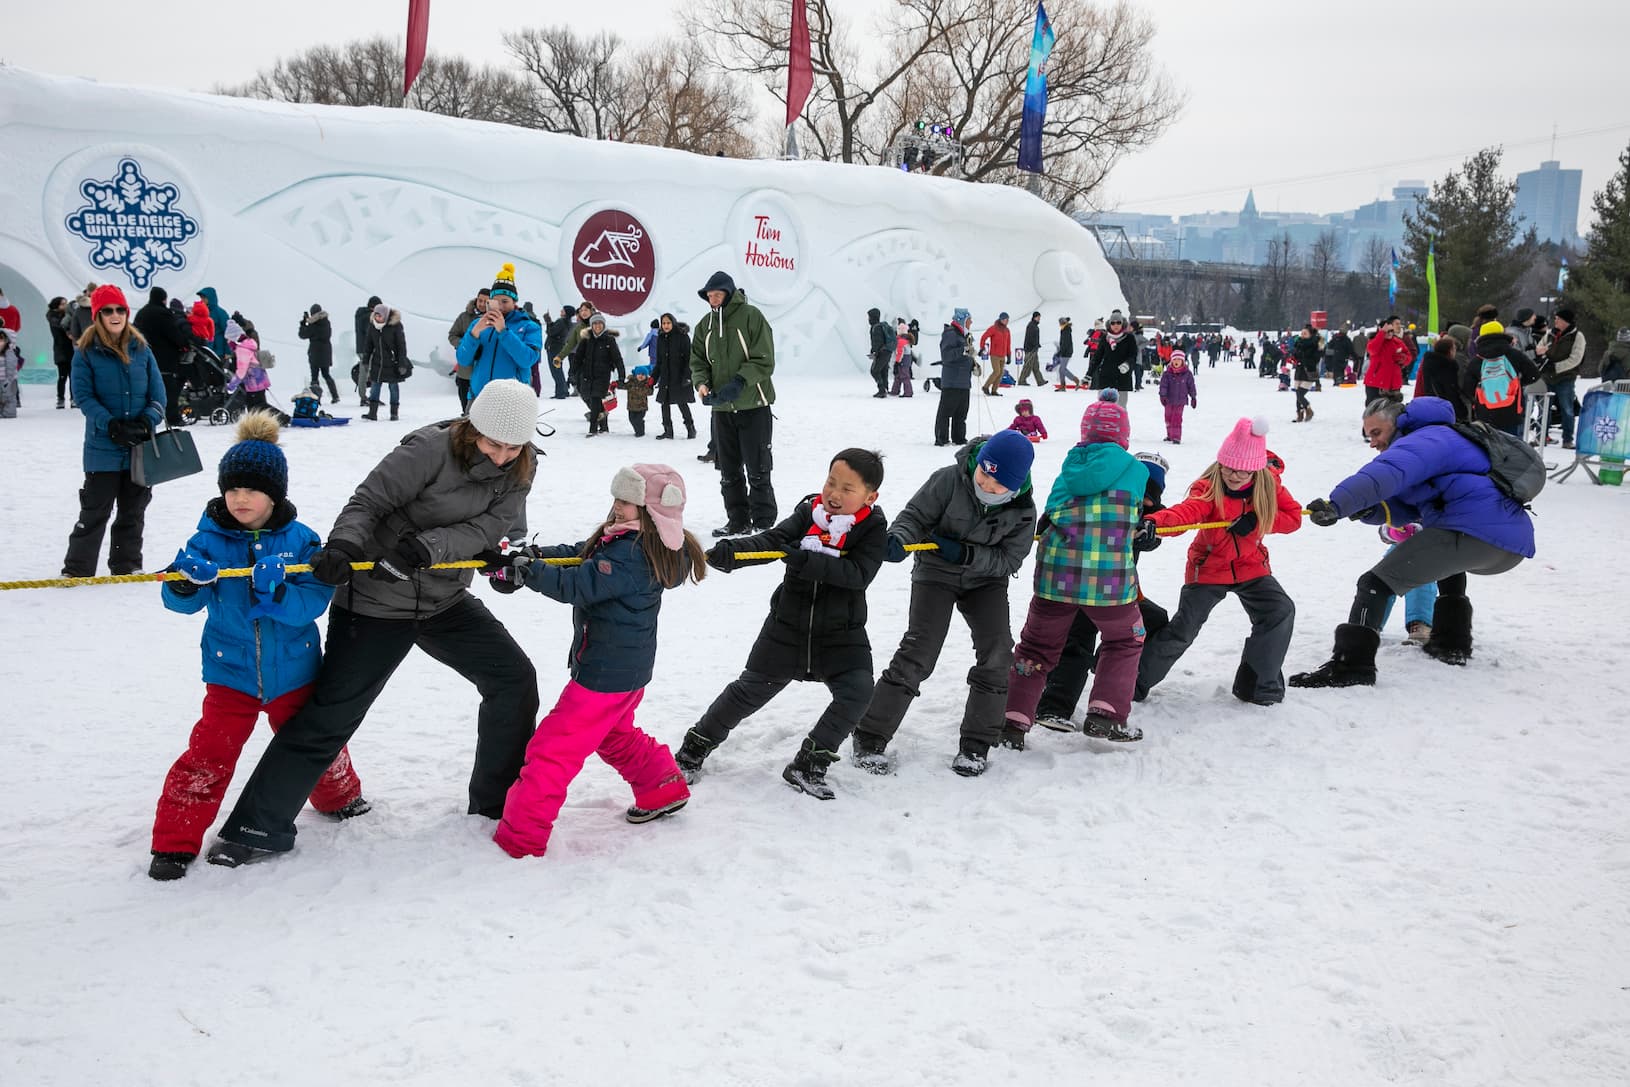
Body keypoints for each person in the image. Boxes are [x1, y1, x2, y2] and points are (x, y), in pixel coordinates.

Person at [206, 380, 544, 867]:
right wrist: (344, 547)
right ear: (472, 430)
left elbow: (491, 528)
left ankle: (493, 804)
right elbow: (369, 502)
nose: (501, 456)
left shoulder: (521, 468)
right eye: (493, 444)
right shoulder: (429, 449)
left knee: (513, 679)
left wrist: (470, 554)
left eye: (513, 447)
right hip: (376, 600)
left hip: (442, 597)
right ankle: (254, 828)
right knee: (332, 715)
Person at [147, 413, 368, 881]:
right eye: (233, 489)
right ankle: (174, 841)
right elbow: (180, 602)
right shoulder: (206, 540)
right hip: (231, 674)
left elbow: (313, 601)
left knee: (314, 743)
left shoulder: (301, 540)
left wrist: (280, 593)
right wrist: (185, 583)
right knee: (208, 754)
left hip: (294, 670)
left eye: (252, 490)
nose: (240, 498)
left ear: (275, 494)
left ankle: (340, 796)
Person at [486, 464, 706, 858]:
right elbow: (579, 557)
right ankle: (662, 787)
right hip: (626, 670)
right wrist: (534, 558)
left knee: (552, 750)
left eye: (627, 502)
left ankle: (521, 837)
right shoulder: (631, 542)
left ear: (652, 511)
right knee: (613, 733)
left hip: (605, 675)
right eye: (617, 499)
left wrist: (529, 573)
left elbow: (577, 584)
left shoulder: (631, 556)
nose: (617, 507)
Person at [674, 450, 888, 799]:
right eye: (831, 482)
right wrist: (734, 552)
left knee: (858, 692)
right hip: (787, 626)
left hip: (841, 634)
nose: (834, 493)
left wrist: (805, 559)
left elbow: (858, 574)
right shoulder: (809, 513)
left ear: (870, 496)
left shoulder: (872, 529)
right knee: (748, 692)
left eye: (847, 488)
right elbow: (773, 540)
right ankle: (693, 750)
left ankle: (809, 763)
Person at [1290, 396, 1534, 687]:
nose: (1373, 443)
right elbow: (1407, 506)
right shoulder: (1445, 440)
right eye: (1368, 436)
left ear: (1397, 423)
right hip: (1506, 543)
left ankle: (1351, 666)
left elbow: (1385, 473)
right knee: (1445, 566)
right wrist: (1370, 510)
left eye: (1377, 433)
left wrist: (1338, 503)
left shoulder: (1426, 437)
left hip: (1473, 532)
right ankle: (1451, 644)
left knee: (1375, 583)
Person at [851, 431, 1035, 775]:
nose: (986, 484)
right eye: (983, 473)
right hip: (935, 573)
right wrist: (899, 540)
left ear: (1014, 486)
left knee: (997, 651)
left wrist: (967, 554)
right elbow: (915, 517)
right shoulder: (949, 479)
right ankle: (870, 733)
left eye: (997, 484)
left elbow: (1009, 560)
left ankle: (977, 743)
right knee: (920, 650)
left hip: (985, 582)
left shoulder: (1023, 510)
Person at [1004, 392, 1149, 744]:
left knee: (1036, 648)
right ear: (1123, 435)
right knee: (1126, 639)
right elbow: (1135, 515)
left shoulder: (1069, 466)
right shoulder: (1137, 469)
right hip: (1110, 583)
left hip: (1056, 576)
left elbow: (1052, 511)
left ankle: (1012, 719)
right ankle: (1107, 713)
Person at [1132, 417, 1302, 707]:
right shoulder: (1209, 488)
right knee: (1184, 629)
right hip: (1209, 568)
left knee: (1279, 610)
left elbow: (1294, 518)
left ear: (1255, 470)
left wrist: (1259, 520)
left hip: (1252, 566)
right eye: (1228, 468)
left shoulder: (1269, 485)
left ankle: (1258, 684)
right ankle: (1132, 682)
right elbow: (1187, 512)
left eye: (1242, 471)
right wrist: (1153, 523)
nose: (1234, 475)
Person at [1032, 451, 1170, 732]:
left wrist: (1150, 531)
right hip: (1081, 586)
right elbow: (1063, 511)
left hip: (1120, 596)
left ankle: (1125, 684)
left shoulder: (1148, 518)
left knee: (1153, 620)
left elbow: (1159, 528)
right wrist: (1049, 522)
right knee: (1077, 640)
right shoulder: (1106, 505)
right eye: (1141, 493)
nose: (1144, 501)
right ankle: (1054, 707)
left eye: (1151, 497)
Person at [60, 285, 164, 577]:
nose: (115, 315)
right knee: (94, 512)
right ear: (98, 316)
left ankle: (127, 564)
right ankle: (77, 569)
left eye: (120, 309)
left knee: (133, 511)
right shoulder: (85, 353)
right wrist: (111, 424)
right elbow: (84, 396)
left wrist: (146, 421)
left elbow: (158, 394)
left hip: (140, 448)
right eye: (108, 310)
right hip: (102, 448)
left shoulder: (142, 349)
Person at [690, 271, 778, 536]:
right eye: (709, 295)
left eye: (717, 294)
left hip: (754, 406)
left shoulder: (752, 317)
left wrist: (740, 381)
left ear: (728, 293)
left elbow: (765, 359)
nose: (713, 299)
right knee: (728, 470)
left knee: (758, 467)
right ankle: (738, 520)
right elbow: (697, 361)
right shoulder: (704, 325)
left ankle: (763, 522)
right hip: (722, 411)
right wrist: (702, 383)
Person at [456, 264, 543, 408]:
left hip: (513, 400)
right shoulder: (477, 324)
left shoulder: (529, 326)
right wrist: (474, 333)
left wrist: (503, 332)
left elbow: (527, 360)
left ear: (514, 302)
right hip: (479, 396)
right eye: (496, 301)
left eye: (505, 301)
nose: (500, 306)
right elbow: (463, 360)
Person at [132, 288, 191, 427]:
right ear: (163, 299)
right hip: (165, 358)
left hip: (143, 356)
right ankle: (172, 417)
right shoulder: (164, 314)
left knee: (145, 388)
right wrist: (184, 343)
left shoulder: (141, 313)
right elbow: (174, 334)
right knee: (169, 388)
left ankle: (143, 414)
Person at [1534, 307, 1586, 449]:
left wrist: (1556, 367)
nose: (1555, 321)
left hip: (1566, 378)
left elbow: (1575, 358)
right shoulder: (1550, 334)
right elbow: (1539, 347)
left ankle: (1567, 439)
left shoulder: (1577, 337)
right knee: (1543, 408)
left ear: (1565, 321)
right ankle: (1541, 436)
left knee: (1567, 409)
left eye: (1558, 318)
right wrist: (1542, 355)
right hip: (1546, 377)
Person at [572, 311, 625, 436]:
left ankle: (593, 428)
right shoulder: (586, 339)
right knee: (589, 398)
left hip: (602, 376)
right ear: (591, 325)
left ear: (603, 325)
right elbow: (578, 358)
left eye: (600, 323)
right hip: (587, 375)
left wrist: (621, 375)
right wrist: (572, 373)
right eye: (595, 323)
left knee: (596, 399)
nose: (597, 326)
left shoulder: (609, 340)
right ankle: (604, 425)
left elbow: (617, 359)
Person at [361, 302, 410, 421]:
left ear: (385, 315)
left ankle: (394, 413)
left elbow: (401, 346)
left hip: (393, 362)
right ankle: (372, 413)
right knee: (375, 387)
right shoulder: (373, 326)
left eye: (380, 315)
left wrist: (402, 363)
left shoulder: (395, 326)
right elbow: (368, 345)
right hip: (378, 362)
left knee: (393, 387)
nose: (377, 318)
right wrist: (366, 360)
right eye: (376, 315)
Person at [934, 307, 975, 447]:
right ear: (962, 320)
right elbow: (946, 356)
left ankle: (959, 438)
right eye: (969, 320)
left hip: (964, 381)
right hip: (952, 381)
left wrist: (973, 364)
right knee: (945, 413)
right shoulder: (950, 334)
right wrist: (963, 350)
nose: (971, 322)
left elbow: (966, 355)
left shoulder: (965, 335)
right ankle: (942, 439)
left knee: (961, 413)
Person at [653, 313, 696, 440]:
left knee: (682, 403)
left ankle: (690, 428)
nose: (666, 325)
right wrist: (653, 378)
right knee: (664, 403)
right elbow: (659, 361)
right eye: (664, 323)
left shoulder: (682, 337)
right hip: (666, 376)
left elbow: (689, 359)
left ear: (673, 323)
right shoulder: (660, 338)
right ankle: (668, 430)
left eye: (668, 323)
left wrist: (687, 377)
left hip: (680, 377)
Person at [447, 289, 490, 414]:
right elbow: (452, 335)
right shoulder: (464, 317)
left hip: (485, 371)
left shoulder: (495, 318)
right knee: (467, 408)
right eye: (480, 300)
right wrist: (466, 345)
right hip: (466, 372)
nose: (482, 304)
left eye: (486, 302)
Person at [289, 303, 337, 406]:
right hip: (326, 352)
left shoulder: (313, 325)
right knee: (326, 374)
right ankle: (335, 396)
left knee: (314, 377)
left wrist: (303, 324)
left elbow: (302, 335)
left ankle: (316, 398)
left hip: (315, 352)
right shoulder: (326, 322)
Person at [1416, 335, 1470, 421]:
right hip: (1444, 409)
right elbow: (1451, 392)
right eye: (1454, 348)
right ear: (1450, 351)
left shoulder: (1429, 362)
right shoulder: (1447, 366)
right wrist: (1461, 411)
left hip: (1431, 405)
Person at [1363, 316, 1412, 407]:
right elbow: (1372, 350)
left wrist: (1402, 358)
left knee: (1393, 409)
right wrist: (1381, 334)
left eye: (1391, 331)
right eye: (1387, 331)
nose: (1389, 333)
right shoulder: (1374, 341)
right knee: (1374, 407)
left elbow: (1408, 357)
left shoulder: (1398, 342)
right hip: (1376, 381)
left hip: (1393, 382)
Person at [1087, 310, 1138, 393]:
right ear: (1109, 324)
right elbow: (1097, 358)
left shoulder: (1129, 338)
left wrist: (1127, 364)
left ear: (1122, 323)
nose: (1116, 325)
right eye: (1113, 323)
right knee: (1104, 405)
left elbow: (1133, 355)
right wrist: (1089, 374)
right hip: (1106, 378)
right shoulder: (1105, 338)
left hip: (1122, 377)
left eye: (1118, 322)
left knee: (1121, 405)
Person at [228, 320, 271, 415]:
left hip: (254, 382)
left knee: (257, 407)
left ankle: (282, 419)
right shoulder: (248, 344)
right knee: (259, 405)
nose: (228, 342)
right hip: (260, 379)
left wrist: (232, 385)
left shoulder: (242, 350)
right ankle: (268, 421)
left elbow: (241, 371)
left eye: (229, 339)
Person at [1158, 348, 1197, 444]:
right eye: (1174, 360)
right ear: (1171, 361)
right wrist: (1163, 395)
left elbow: (1191, 386)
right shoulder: (1167, 374)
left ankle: (1176, 437)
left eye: (1179, 360)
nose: (1176, 362)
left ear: (1183, 361)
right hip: (1169, 400)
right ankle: (1170, 435)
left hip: (1181, 401)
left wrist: (1193, 397)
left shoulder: (1187, 374)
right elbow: (1163, 385)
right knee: (1168, 418)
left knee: (1177, 418)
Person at [47, 297, 75, 409]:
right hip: (61, 349)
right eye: (63, 304)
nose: (65, 305)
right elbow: (61, 327)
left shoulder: (68, 315)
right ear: (57, 305)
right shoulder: (52, 317)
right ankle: (60, 398)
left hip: (70, 348)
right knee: (62, 376)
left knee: (73, 376)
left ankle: (73, 398)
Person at [1290, 324, 1321, 422]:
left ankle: (1309, 409)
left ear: (1310, 335)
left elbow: (1316, 358)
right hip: (1299, 371)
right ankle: (1299, 415)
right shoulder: (1298, 343)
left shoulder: (1315, 344)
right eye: (1302, 333)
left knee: (1300, 393)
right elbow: (1295, 354)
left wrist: (1305, 357)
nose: (1302, 335)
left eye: (1305, 333)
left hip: (1309, 371)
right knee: (1297, 394)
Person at [353, 294, 381, 399]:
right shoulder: (369, 317)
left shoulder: (361, 315)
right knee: (369, 372)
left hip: (360, 347)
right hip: (368, 348)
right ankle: (366, 397)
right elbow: (371, 334)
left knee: (364, 372)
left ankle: (364, 396)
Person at [544, 305, 574, 399]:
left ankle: (560, 392)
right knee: (558, 370)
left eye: (563, 310)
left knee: (555, 371)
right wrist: (551, 322)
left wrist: (548, 322)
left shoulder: (561, 321)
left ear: (566, 312)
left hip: (553, 348)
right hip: (559, 347)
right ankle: (564, 390)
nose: (561, 311)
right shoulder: (567, 322)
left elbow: (551, 332)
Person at [978, 312, 1012, 396]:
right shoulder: (994, 328)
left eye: (1007, 319)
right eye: (1005, 319)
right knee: (996, 371)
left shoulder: (1007, 330)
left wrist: (1009, 355)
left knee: (1000, 373)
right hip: (995, 354)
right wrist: (982, 347)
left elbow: (1008, 343)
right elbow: (984, 337)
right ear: (1000, 320)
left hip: (1003, 355)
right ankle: (985, 387)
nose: (1006, 321)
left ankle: (994, 390)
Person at [195, 287, 229, 359]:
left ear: (210, 298)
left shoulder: (220, 313)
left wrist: (228, 351)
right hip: (204, 350)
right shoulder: (201, 313)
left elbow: (228, 333)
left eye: (204, 297)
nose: (202, 300)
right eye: (201, 298)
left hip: (219, 352)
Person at [867, 307, 891, 398]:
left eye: (869, 317)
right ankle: (885, 388)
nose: (868, 319)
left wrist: (874, 352)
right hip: (888, 351)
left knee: (875, 371)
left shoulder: (876, 328)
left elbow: (877, 342)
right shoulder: (881, 326)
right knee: (884, 370)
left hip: (882, 352)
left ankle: (881, 390)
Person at [1016, 311, 1045, 386]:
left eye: (1039, 317)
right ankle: (1021, 380)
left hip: (1034, 349)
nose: (1039, 319)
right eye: (1038, 317)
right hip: (1030, 349)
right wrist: (1034, 345)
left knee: (1035, 366)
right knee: (1028, 365)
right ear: (1034, 317)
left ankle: (1040, 381)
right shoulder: (1031, 326)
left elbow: (1035, 338)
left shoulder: (1035, 326)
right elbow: (1030, 338)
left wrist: (1037, 345)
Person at [625, 364, 654, 437]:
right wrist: (616, 384)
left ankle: (640, 432)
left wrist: (650, 386)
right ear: (635, 374)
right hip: (631, 406)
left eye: (643, 375)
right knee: (632, 420)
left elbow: (650, 392)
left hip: (642, 407)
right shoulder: (631, 382)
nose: (641, 376)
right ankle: (637, 430)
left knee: (638, 420)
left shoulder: (646, 383)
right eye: (639, 374)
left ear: (646, 376)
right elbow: (624, 386)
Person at [1053, 316, 1080, 390]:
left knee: (1062, 369)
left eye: (1060, 323)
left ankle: (1076, 380)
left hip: (1066, 352)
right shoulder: (1064, 329)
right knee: (1061, 369)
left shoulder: (1066, 330)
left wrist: (1060, 352)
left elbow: (1065, 343)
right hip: (1065, 351)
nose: (1059, 324)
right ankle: (1062, 386)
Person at [890, 319, 914, 397]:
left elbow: (900, 353)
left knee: (904, 376)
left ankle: (908, 392)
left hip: (903, 361)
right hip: (906, 361)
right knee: (898, 376)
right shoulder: (906, 340)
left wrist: (897, 362)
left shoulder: (900, 341)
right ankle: (895, 390)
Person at [0, 328, 18, 419]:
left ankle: (9, 413)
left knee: (9, 397)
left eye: (1, 340)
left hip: (8, 380)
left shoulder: (9, 353)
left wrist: (9, 380)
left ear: (6, 341)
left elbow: (11, 367)